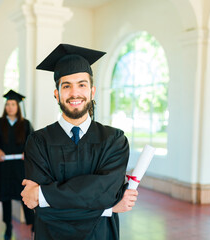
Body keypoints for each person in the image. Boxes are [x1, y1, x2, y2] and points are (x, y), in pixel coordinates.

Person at [20, 44, 138, 240]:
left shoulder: (114, 140)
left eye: (81, 84)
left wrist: (43, 195)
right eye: (66, 86)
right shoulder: (38, 142)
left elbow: (108, 193)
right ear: (57, 94)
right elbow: (42, 210)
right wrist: (108, 209)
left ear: (92, 92)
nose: (75, 93)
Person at [0, 90, 35, 240]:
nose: (10, 107)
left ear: (18, 106)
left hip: (20, 168)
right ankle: (8, 226)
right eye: (7, 104)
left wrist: (28, 152)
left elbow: (32, 143)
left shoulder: (25, 124)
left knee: (25, 196)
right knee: (5, 198)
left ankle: (33, 224)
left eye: (13, 104)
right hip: (4, 168)